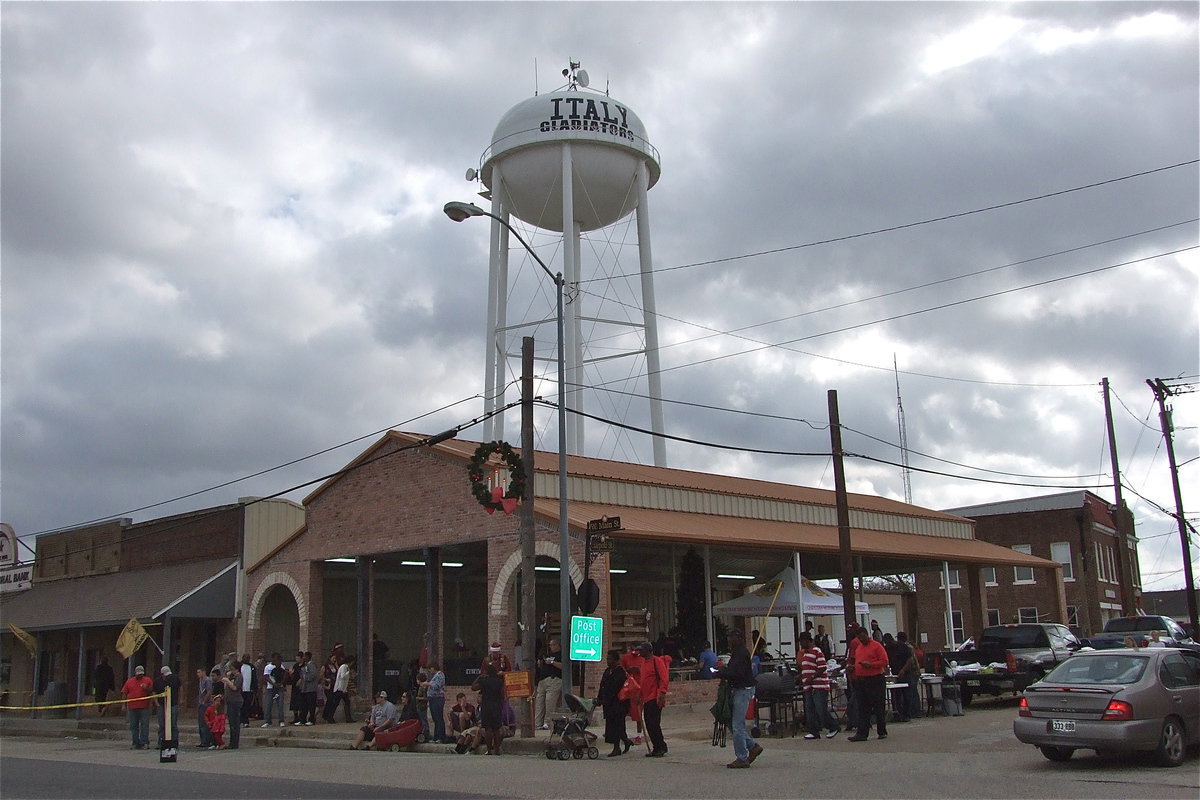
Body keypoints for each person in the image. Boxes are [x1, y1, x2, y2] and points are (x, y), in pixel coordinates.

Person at [715, 628, 763, 768]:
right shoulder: (736, 653)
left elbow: (738, 674)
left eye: (732, 637)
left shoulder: (742, 653)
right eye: (729, 637)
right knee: (730, 721)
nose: (729, 640)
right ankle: (752, 746)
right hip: (738, 689)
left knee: (737, 725)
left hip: (743, 690)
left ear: (740, 638)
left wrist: (723, 673)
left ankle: (742, 757)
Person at [848, 627, 888, 742]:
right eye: (859, 638)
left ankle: (882, 731)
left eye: (862, 637)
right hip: (862, 680)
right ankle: (862, 733)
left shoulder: (876, 646)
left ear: (866, 635)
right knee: (863, 707)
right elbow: (857, 662)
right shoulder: (859, 647)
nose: (861, 639)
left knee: (878, 706)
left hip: (875, 679)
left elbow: (884, 661)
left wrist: (871, 665)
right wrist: (853, 668)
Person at [797, 630, 839, 740]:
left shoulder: (817, 651)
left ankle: (833, 726)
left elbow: (822, 667)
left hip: (819, 686)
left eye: (802, 642)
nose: (801, 645)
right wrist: (800, 677)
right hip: (808, 686)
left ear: (807, 641)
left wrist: (812, 678)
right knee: (810, 709)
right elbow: (806, 669)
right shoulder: (805, 653)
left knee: (821, 709)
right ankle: (814, 731)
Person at [596, 649, 634, 757]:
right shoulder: (607, 671)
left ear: (616, 660)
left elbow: (615, 688)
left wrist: (606, 699)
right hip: (609, 704)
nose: (608, 661)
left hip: (618, 703)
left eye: (610, 659)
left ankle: (617, 747)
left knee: (617, 725)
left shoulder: (620, 671)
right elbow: (602, 685)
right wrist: (600, 698)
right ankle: (625, 741)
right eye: (607, 659)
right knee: (613, 726)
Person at [635, 641, 669, 757]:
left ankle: (661, 746)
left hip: (655, 697)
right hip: (646, 698)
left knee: (654, 723)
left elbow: (664, 678)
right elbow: (643, 681)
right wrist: (639, 696)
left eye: (642, 650)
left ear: (648, 651)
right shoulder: (644, 663)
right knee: (649, 724)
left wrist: (662, 692)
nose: (640, 652)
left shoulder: (657, 661)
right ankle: (656, 747)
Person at [471, 662, 506, 755]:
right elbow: (503, 694)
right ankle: (497, 750)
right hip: (497, 706)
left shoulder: (484, 680)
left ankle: (489, 750)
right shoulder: (499, 681)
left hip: (486, 706)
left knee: (488, 729)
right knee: (496, 728)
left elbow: (473, 687)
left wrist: (479, 677)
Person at [121, 665, 155, 749]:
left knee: (144, 725)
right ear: (135, 673)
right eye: (138, 674)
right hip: (132, 707)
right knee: (134, 725)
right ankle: (135, 742)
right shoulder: (129, 681)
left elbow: (152, 691)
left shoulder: (148, 680)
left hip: (144, 706)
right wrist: (123, 705)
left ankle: (144, 742)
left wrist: (146, 688)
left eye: (141, 674)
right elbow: (124, 693)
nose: (140, 676)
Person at [534, 638, 563, 730]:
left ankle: (548, 722)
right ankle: (538, 723)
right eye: (550, 645)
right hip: (543, 680)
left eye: (553, 645)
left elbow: (563, 666)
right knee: (539, 702)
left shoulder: (561, 655)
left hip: (554, 679)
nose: (551, 647)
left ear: (557, 645)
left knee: (550, 702)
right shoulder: (548, 654)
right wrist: (541, 663)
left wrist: (552, 662)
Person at [894, 632, 922, 720]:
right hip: (914, 671)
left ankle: (916, 711)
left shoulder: (907, 647)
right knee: (912, 692)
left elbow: (912, 660)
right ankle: (914, 711)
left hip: (912, 671)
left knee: (912, 692)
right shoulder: (908, 646)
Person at [154, 665, 182, 747]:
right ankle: (161, 742)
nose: (168, 677)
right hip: (161, 704)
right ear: (162, 675)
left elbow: (180, 688)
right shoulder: (157, 681)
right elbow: (154, 692)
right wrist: (156, 703)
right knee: (162, 724)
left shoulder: (175, 678)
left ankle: (174, 742)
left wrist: (181, 698)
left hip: (173, 704)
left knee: (173, 724)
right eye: (166, 675)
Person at [421, 663, 448, 742]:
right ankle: (436, 736)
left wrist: (428, 684)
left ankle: (441, 737)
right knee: (435, 718)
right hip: (432, 698)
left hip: (438, 698)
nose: (430, 671)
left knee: (438, 717)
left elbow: (437, 686)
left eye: (430, 669)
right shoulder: (435, 676)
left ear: (433, 667)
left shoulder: (440, 675)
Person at [325, 654, 355, 723]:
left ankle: (348, 718)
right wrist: (349, 673)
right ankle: (330, 717)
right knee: (336, 703)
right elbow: (342, 676)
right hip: (340, 688)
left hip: (344, 689)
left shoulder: (346, 667)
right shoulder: (344, 667)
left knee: (347, 702)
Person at [221, 666, 244, 749]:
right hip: (230, 701)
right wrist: (227, 677)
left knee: (235, 723)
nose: (231, 671)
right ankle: (232, 742)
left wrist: (227, 680)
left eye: (232, 669)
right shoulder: (232, 677)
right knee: (231, 723)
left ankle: (235, 743)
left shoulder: (239, 677)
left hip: (236, 701)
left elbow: (235, 688)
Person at [261, 652, 286, 727]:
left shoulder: (281, 666)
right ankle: (268, 721)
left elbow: (284, 676)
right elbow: (266, 677)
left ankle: (281, 720)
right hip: (270, 688)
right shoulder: (268, 667)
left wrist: (280, 684)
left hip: (279, 688)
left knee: (280, 704)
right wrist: (273, 684)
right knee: (268, 705)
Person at [196, 667, 214, 749]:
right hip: (200, 703)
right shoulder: (200, 681)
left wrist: (204, 701)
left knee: (204, 722)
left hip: (206, 703)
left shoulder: (207, 680)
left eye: (199, 672)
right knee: (200, 723)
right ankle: (202, 740)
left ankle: (206, 740)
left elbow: (209, 691)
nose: (198, 674)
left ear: (203, 672)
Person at [299, 651, 319, 725]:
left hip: (311, 689)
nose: (303, 658)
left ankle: (312, 720)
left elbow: (313, 675)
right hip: (305, 689)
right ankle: (302, 720)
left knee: (311, 705)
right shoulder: (305, 665)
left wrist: (305, 677)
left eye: (304, 656)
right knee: (304, 705)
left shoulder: (312, 665)